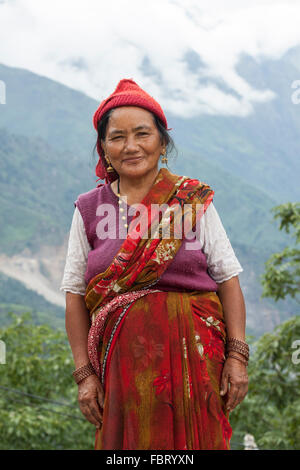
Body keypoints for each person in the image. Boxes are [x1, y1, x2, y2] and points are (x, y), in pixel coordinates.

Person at [60, 78, 249, 450]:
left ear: (162, 142)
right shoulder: (88, 209)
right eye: (117, 137)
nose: (131, 146)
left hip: (197, 362)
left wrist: (237, 355)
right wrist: (84, 375)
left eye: (142, 134)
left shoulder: (191, 202)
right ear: (104, 148)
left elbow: (228, 279)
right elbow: (74, 295)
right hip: (121, 372)